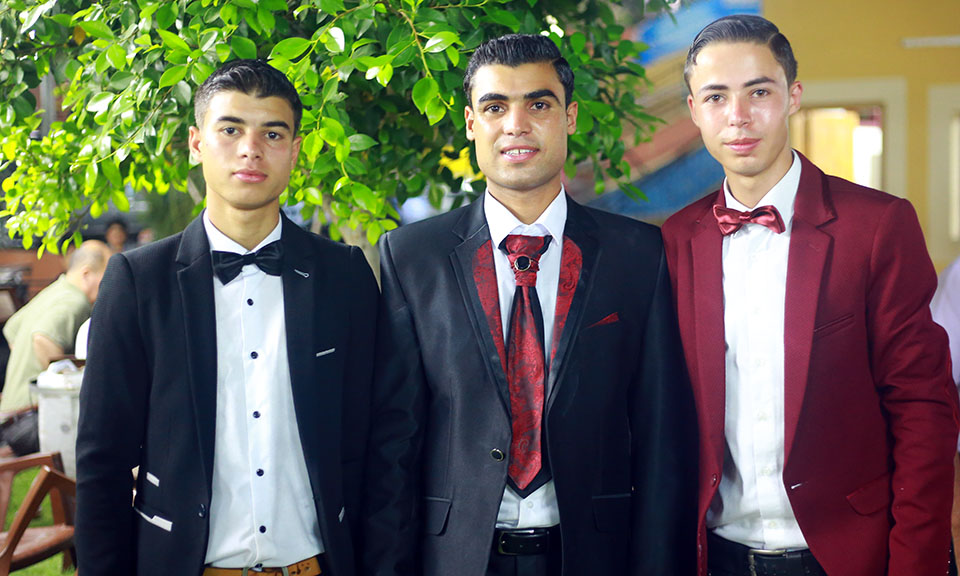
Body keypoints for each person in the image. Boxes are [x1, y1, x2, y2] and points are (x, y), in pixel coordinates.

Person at [369, 34, 696, 576]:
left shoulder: (638, 254)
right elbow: (393, 443)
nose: (516, 124)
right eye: (495, 107)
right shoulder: (411, 257)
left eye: (538, 104)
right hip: (456, 558)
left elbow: (661, 437)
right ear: (471, 123)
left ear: (569, 116)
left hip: (594, 556)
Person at [661, 15, 960, 576]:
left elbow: (924, 409)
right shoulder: (676, 240)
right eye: (717, 97)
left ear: (793, 96)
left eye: (759, 92)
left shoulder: (877, 226)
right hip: (716, 556)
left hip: (851, 555)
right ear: (695, 110)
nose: (738, 116)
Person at [75, 60, 379, 576]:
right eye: (231, 129)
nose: (250, 149)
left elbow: (380, 440)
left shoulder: (344, 275)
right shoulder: (137, 281)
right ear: (196, 143)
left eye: (272, 133)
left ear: (295, 151)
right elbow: (102, 459)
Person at [0, 240, 111, 455]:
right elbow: (42, 338)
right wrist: (64, 380)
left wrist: (26, 369)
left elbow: (12, 329)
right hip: (33, 416)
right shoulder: (74, 301)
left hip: (10, 415)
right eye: (105, 278)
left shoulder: (55, 290)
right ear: (86, 273)